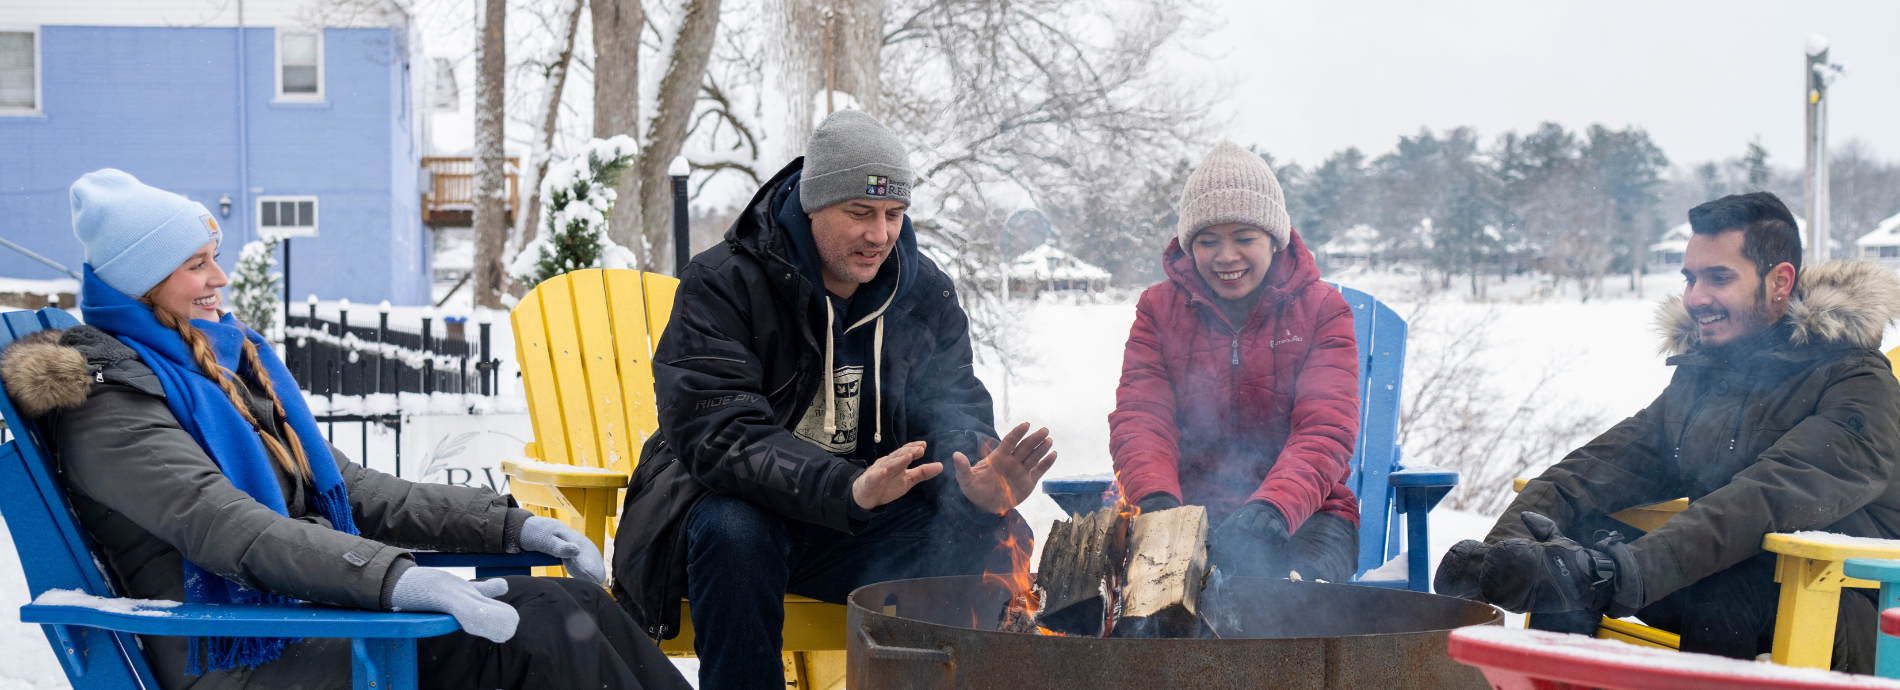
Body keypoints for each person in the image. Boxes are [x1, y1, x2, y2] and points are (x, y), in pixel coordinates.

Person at [0, 169, 691, 690]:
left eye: (213, 255)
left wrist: (509, 527)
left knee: (567, 602)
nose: (220, 276)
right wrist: (394, 580)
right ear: (144, 282)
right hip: (229, 653)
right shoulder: (110, 407)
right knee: (538, 633)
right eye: (196, 264)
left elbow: (348, 488)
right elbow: (233, 529)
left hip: (291, 619)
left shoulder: (206, 369)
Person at [610, 110, 1058, 690]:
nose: (880, 235)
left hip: (859, 526)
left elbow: (953, 409)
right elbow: (717, 432)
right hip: (740, 521)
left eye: (894, 214)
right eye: (860, 213)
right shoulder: (724, 284)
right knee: (736, 530)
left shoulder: (922, 294)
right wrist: (846, 487)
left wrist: (972, 480)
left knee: (988, 532)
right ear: (812, 204)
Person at [1433, 192, 1900, 672]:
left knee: (1725, 582)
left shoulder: (1856, 383)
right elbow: (1594, 471)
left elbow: (1763, 498)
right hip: (1729, 584)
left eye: (1719, 278)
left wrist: (1616, 573)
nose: (1696, 297)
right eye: (1690, 278)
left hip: (1853, 607)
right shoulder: (1708, 378)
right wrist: (1496, 555)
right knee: (1565, 549)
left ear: (1779, 281)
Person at [1108, 141, 1363, 584]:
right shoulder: (1158, 309)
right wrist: (1155, 499)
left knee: (1280, 602)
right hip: (1185, 511)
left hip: (1305, 514)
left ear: (1274, 239)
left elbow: (1325, 428)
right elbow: (1141, 416)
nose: (1226, 257)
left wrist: (1272, 507)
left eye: (1244, 238)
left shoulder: (1323, 309)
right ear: (1190, 246)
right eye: (1208, 241)